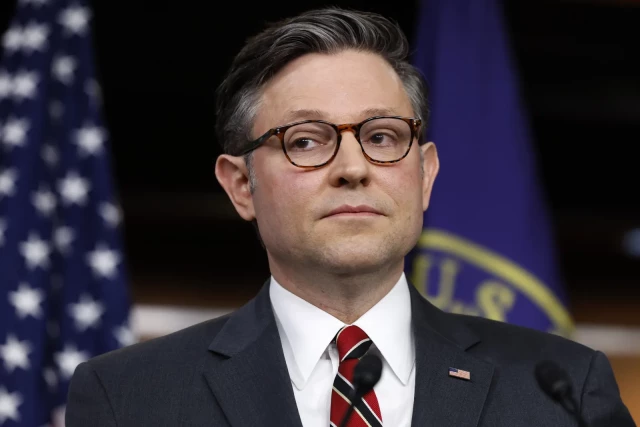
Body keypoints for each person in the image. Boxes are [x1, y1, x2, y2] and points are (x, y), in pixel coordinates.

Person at [66, 7, 635, 427]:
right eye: (306, 141)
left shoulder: (562, 389)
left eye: (382, 136)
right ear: (241, 185)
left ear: (425, 175)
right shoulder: (129, 396)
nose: (353, 168)